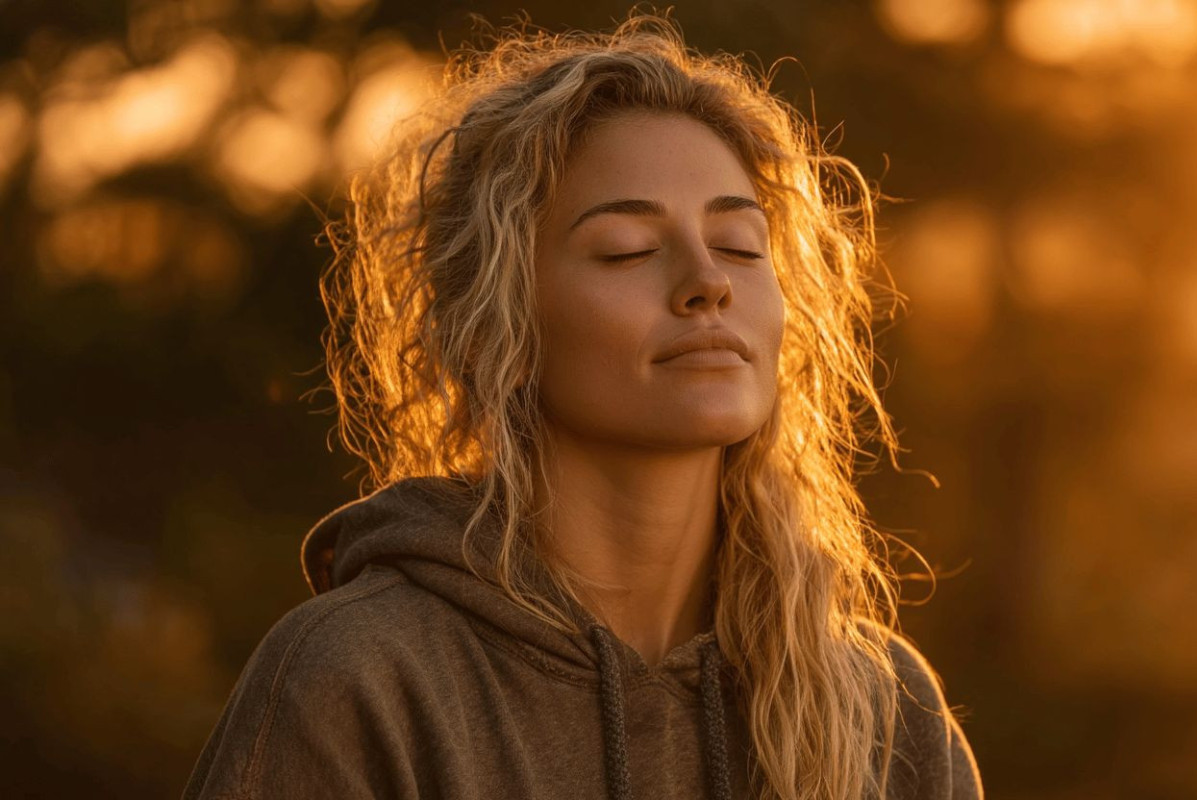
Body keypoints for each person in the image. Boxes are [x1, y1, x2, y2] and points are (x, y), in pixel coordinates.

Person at [183, 12, 984, 800]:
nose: (711, 281)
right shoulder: (362, 681)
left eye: (741, 245)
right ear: (501, 323)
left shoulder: (886, 712)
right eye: (627, 250)